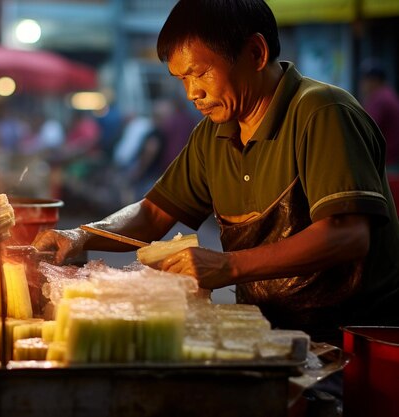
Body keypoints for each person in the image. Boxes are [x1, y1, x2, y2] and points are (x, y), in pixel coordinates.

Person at [34, 0, 399, 357]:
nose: (192, 92)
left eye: (201, 72)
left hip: (351, 345)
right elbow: (151, 214)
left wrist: (228, 265)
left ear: (255, 53)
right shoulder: (213, 135)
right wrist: (79, 235)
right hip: (271, 335)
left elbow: (347, 234)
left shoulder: (322, 112)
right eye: (182, 79)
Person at [359, 58, 399, 173]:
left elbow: (365, 131)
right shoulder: (388, 94)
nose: (362, 84)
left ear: (374, 81)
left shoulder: (380, 99)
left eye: (366, 80)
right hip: (391, 162)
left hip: (387, 166)